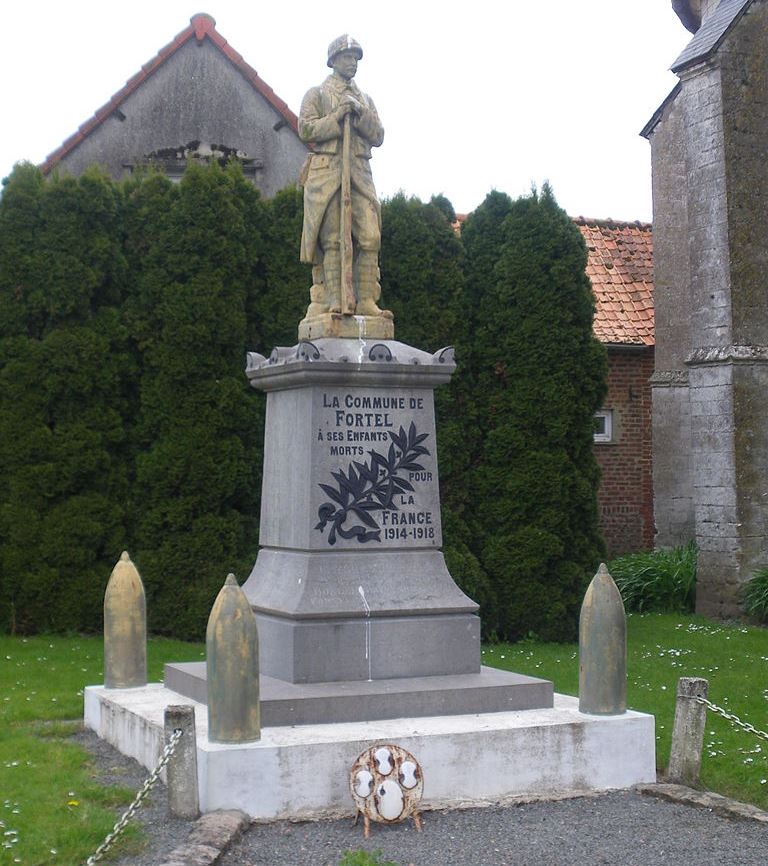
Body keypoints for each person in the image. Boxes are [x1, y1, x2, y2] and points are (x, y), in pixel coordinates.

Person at [299, 35, 392, 320]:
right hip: (327, 173)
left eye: (355, 58)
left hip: (360, 174)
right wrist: (338, 116)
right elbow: (306, 130)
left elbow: (378, 135)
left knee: (370, 236)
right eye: (347, 58)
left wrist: (360, 112)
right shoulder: (317, 94)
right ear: (334, 61)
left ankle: (365, 301)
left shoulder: (366, 99)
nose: (352, 63)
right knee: (333, 239)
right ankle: (334, 301)